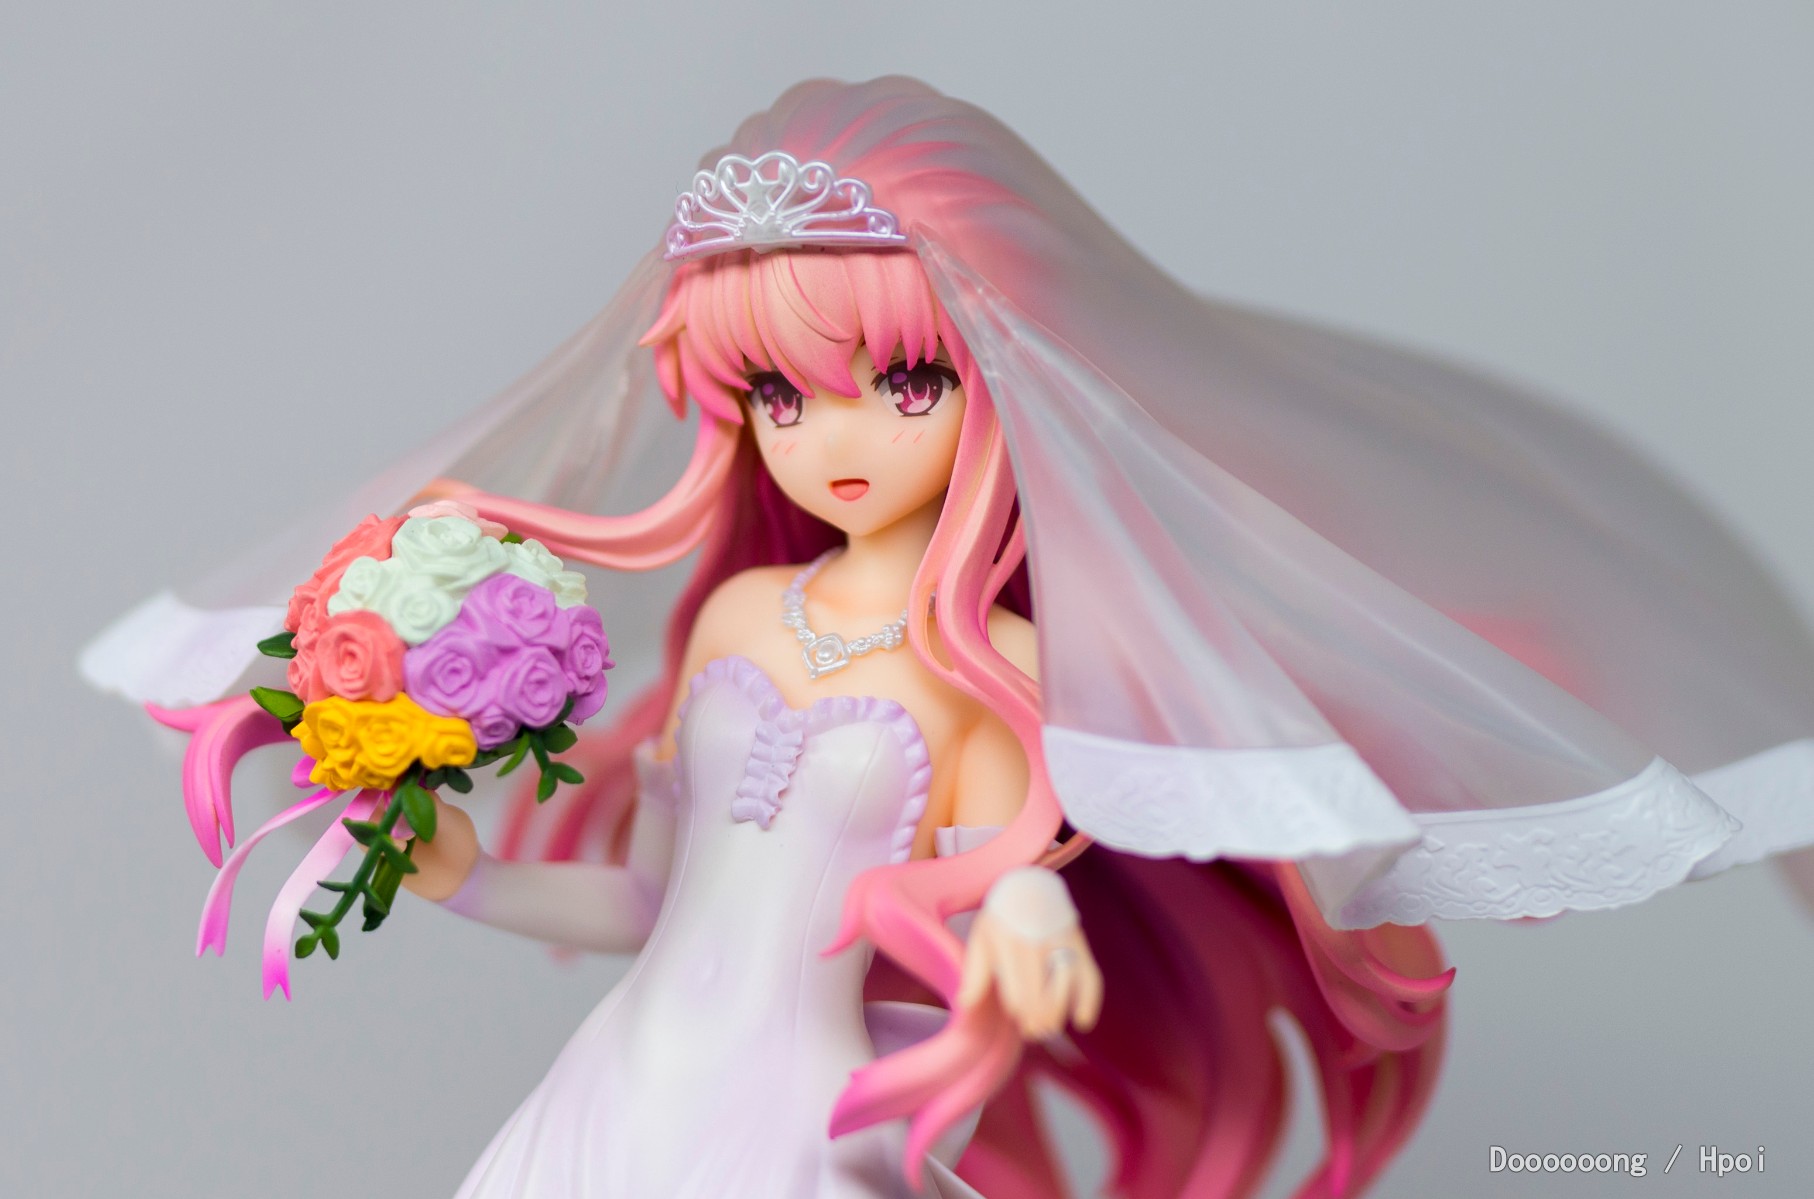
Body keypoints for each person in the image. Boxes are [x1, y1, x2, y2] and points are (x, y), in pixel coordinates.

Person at [81, 76, 1814, 1197]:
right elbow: (652, 905)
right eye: (778, 395)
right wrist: (458, 869)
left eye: (898, 381)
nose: (833, 439)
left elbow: (991, 886)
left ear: (989, 380)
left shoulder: (991, 667)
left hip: (799, 1129)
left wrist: (1025, 913)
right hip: (614, 1105)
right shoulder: (738, 614)